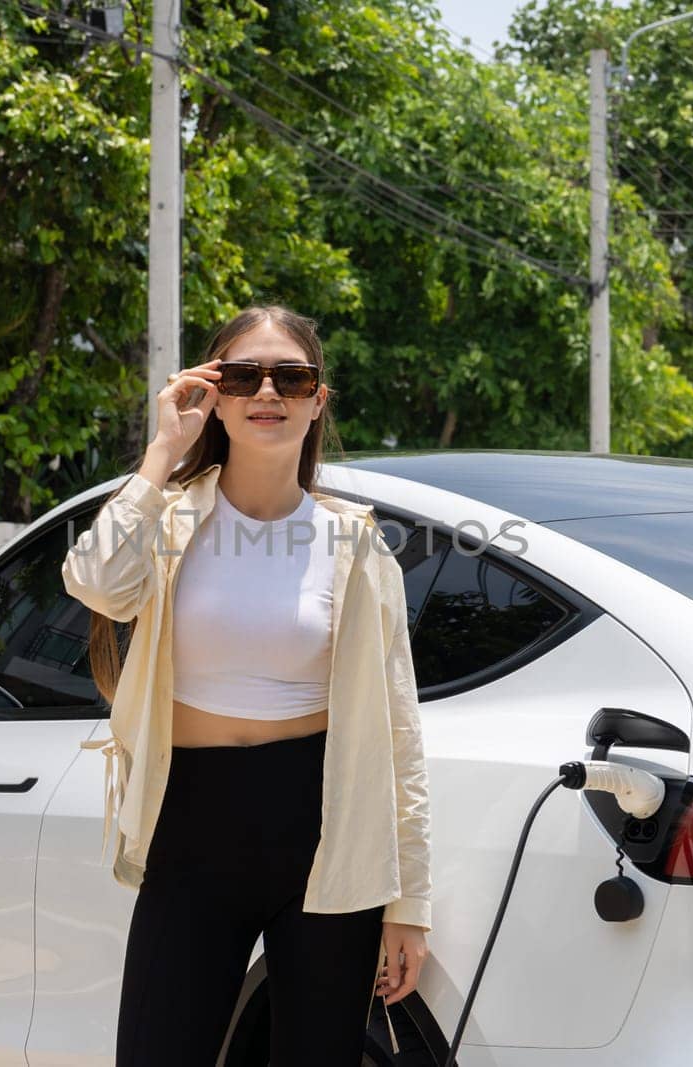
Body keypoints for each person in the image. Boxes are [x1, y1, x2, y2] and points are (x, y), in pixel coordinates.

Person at [61, 304, 432, 1065]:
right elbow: (95, 580)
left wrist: (410, 904)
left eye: (291, 376)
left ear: (317, 399)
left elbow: (399, 736)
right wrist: (163, 448)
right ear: (213, 392)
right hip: (192, 820)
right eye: (242, 374)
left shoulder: (358, 546)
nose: (268, 391)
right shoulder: (165, 521)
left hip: (323, 828)